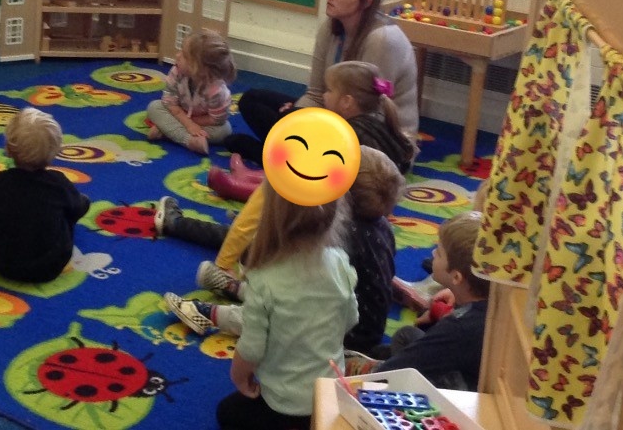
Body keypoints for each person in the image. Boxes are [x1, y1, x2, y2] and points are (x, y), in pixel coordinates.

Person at [165, 146, 404, 356]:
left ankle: (213, 313)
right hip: (365, 324)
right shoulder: (382, 227)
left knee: (271, 315)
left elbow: (297, 292)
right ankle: (235, 288)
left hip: (338, 335)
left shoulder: (337, 235)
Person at [177, 183, 357, 429]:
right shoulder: (340, 263)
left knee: (227, 412)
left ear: (270, 218)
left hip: (284, 406)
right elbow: (350, 320)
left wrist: (239, 378)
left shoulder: (264, 278)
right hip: (330, 399)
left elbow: (251, 349)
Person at [226, 0, 418, 161]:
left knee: (285, 130)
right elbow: (316, 93)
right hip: (335, 112)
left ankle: (273, 155)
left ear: (366, 2)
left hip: (376, 142)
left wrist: (304, 122)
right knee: (252, 100)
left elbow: (370, 115)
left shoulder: (383, 40)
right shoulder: (330, 27)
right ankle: (286, 155)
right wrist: (299, 114)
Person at [205, 58, 416, 201]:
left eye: (329, 90)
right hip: (362, 190)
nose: (324, 95)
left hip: (349, 198)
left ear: (346, 102)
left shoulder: (349, 133)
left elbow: (316, 169)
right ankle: (252, 175)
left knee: (290, 178)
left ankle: (240, 186)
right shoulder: (376, 119)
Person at [346, 211, 490, 391]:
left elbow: (388, 374)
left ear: (456, 277)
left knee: (383, 368)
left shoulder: (457, 327)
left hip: (457, 392)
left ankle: (374, 364)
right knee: (405, 334)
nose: (432, 252)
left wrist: (373, 376)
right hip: (466, 365)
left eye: (439, 252)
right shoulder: (493, 300)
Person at [0, 107, 91, 283]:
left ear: (9, 149)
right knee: (80, 202)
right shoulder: (58, 183)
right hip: (49, 267)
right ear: (55, 151)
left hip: (3, 263)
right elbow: (76, 210)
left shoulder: (0, 181)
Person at [146, 31, 237, 154]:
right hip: (178, 112)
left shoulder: (218, 92)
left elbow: (216, 120)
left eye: (183, 55)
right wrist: (188, 124)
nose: (177, 56)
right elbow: (170, 102)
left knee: (225, 130)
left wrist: (193, 123)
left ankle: (166, 131)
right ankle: (189, 141)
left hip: (203, 120)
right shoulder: (177, 71)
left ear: (199, 67)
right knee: (154, 107)